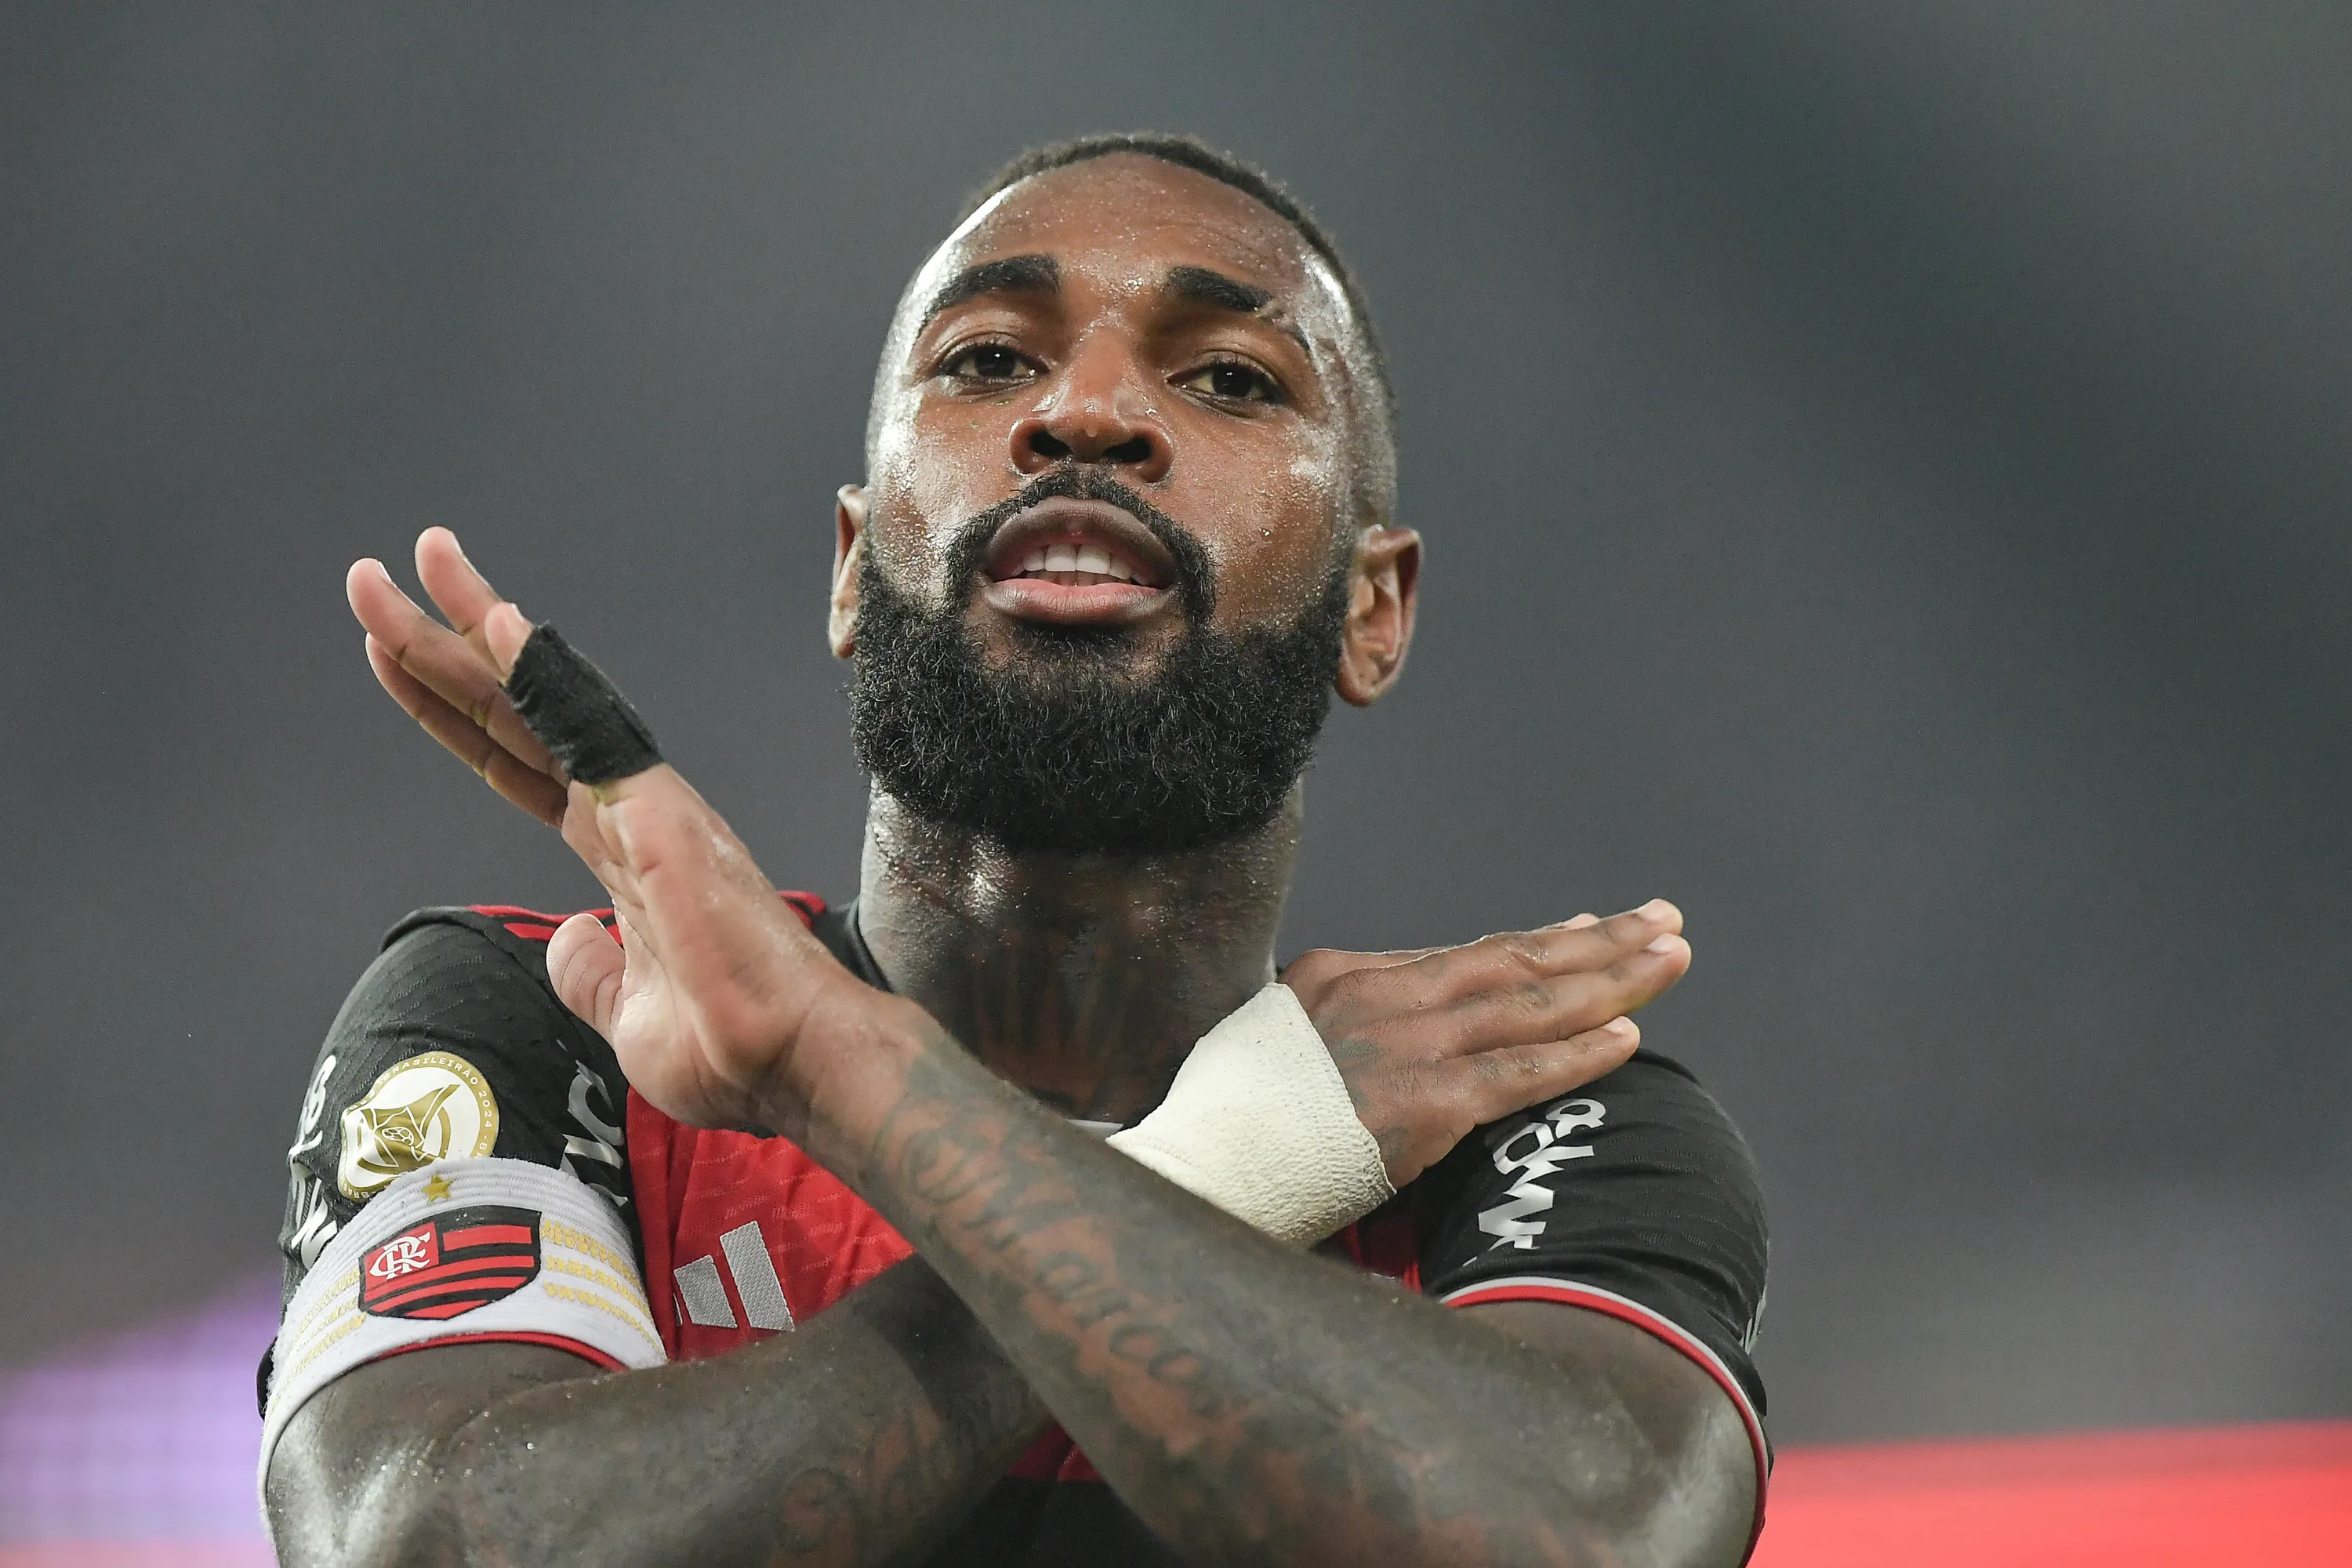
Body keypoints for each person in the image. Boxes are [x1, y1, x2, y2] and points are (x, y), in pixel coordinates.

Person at [260, 132, 1769, 1566]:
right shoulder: (551, 1024)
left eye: (1232, 379)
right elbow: (419, 1541)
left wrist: (831, 1066)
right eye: (989, 360)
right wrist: (1223, 1172)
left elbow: (1595, 1534)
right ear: (856, 570)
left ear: (1372, 610)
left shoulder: (1507, 1115)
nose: (1090, 412)